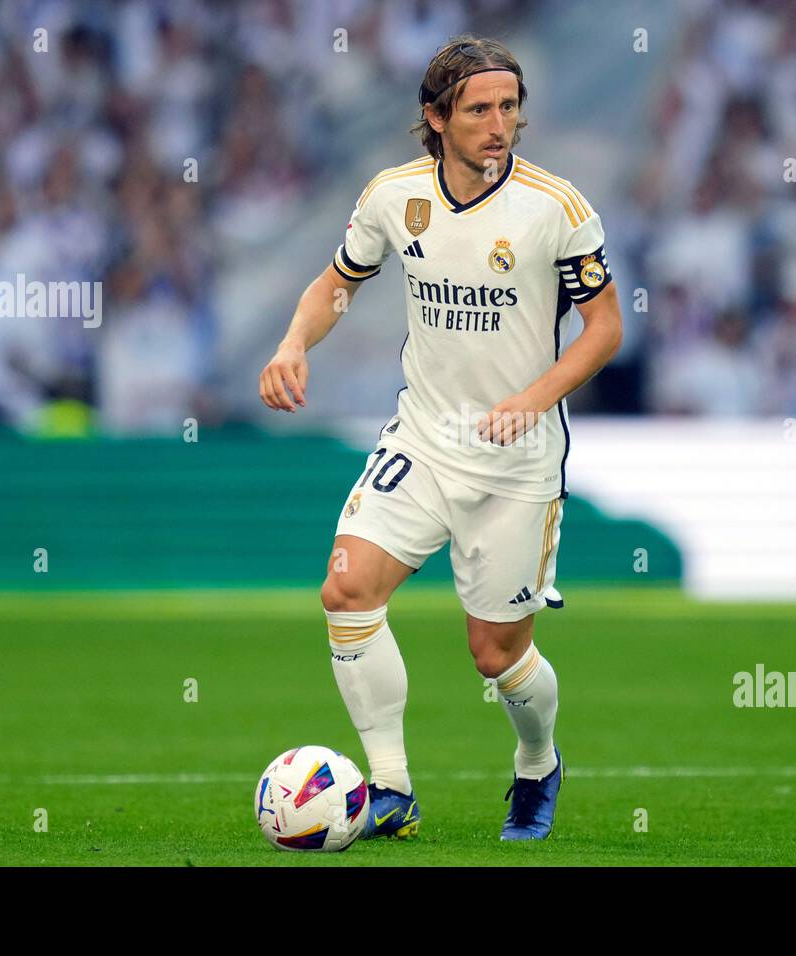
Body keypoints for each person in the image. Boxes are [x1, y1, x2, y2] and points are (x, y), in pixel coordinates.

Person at [259, 34, 623, 841]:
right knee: (346, 591)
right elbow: (336, 284)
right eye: (481, 109)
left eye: (509, 107)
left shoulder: (556, 208)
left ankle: (537, 764)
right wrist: (291, 343)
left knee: (495, 656)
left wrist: (533, 399)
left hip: (517, 460)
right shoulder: (393, 196)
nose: (501, 125)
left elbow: (604, 331)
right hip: (423, 438)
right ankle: (389, 787)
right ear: (435, 116)